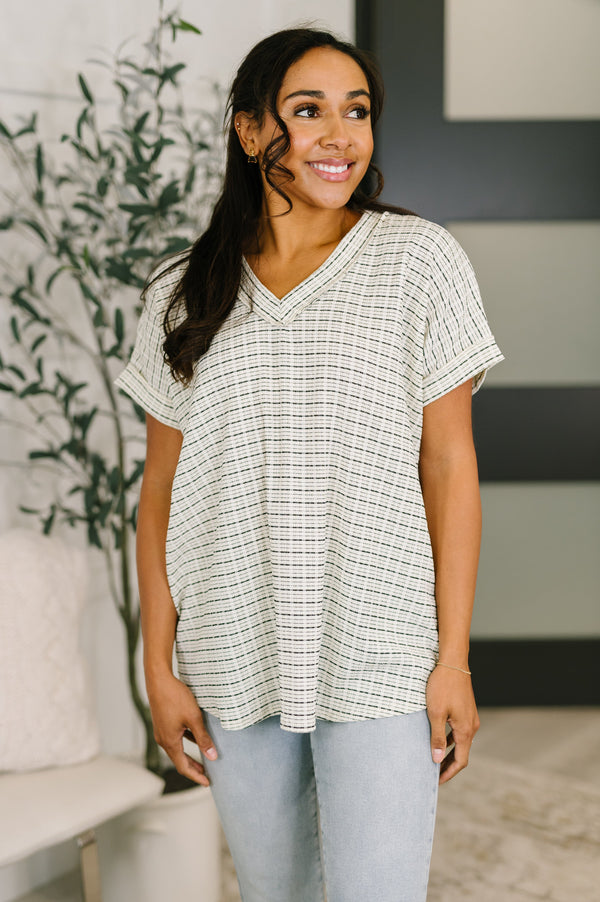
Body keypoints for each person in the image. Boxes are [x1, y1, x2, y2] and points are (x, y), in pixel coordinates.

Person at [116, 26, 503, 902]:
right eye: (308, 111)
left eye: (356, 111)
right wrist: (158, 667)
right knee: (274, 893)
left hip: (380, 650)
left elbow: (449, 468)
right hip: (232, 652)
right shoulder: (182, 290)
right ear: (252, 132)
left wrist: (452, 659)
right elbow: (160, 496)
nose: (340, 134)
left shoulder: (420, 263)